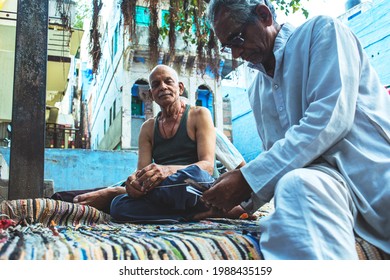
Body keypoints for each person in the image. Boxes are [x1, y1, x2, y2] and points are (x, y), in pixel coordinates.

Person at [202, 0, 390, 259]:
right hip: (328, 188)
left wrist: (247, 180)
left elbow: (329, 119)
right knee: (295, 184)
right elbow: (279, 159)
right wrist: (242, 202)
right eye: (228, 46)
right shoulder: (256, 90)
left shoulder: (322, 32)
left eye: (237, 39)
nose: (234, 54)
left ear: (264, 15)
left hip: (373, 177)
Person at [58, 64, 246, 221]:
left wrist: (166, 170)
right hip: (164, 191)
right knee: (119, 206)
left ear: (180, 88)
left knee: (193, 177)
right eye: (156, 85)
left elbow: (205, 166)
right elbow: (142, 174)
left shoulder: (199, 114)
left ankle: (115, 192)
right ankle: (196, 215)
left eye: (168, 81)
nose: (162, 87)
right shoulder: (148, 128)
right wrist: (134, 184)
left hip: (194, 187)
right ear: (151, 94)